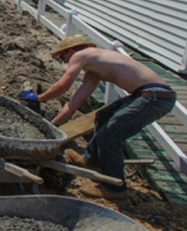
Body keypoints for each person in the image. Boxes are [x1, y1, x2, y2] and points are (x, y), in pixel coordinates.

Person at [20, 36, 177, 200]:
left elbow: (63, 86)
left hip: (155, 97)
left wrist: (39, 98)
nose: (65, 62)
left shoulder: (81, 55)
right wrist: (53, 125)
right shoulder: (94, 72)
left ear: (71, 51)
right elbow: (74, 103)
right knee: (104, 115)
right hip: (146, 95)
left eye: (63, 57)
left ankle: (114, 189)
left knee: (109, 137)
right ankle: (91, 160)